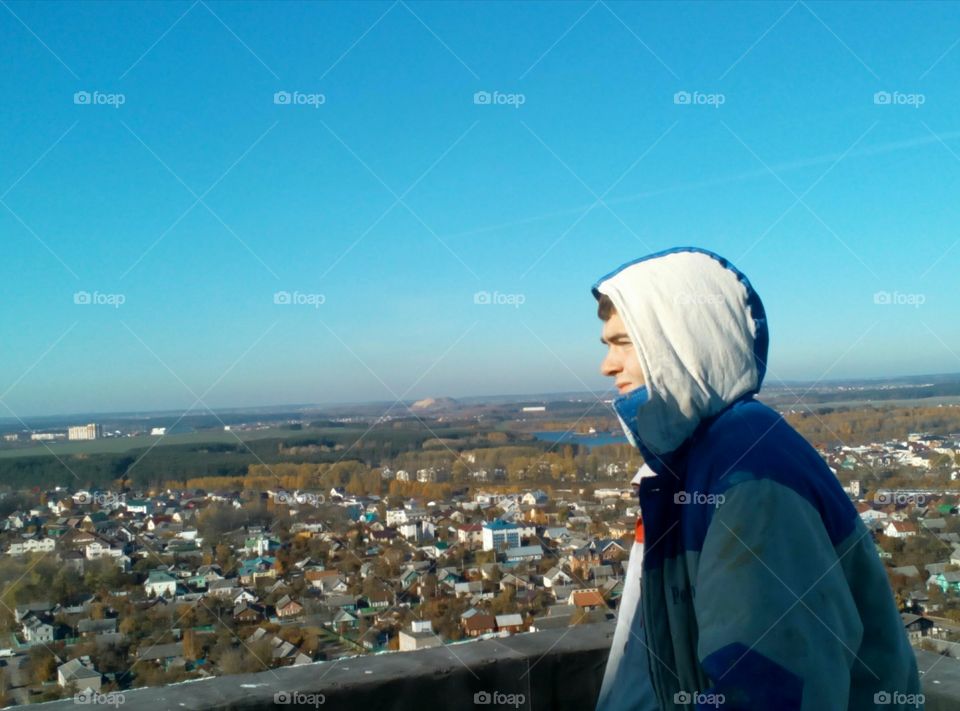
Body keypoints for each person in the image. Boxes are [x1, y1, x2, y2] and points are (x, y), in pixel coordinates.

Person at [593, 248, 922, 710]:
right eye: (607, 345)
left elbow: (769, 691)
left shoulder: (750, 478)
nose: (607, 365)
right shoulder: (704, 460)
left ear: (683, 344)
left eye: (625, 343)